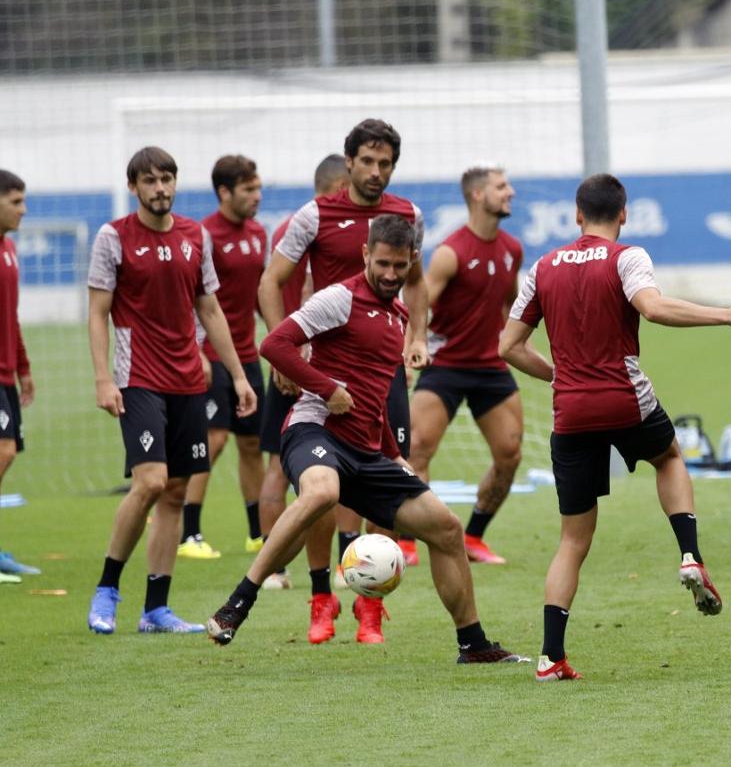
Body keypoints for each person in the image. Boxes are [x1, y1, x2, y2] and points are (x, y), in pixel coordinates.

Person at [207, 214, 525, 664]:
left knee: (447, 529)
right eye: (382, 264)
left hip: (366, 452)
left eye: (399, 265)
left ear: (413, 260)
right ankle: (240, 600)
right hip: (312, 431)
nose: (390, 274)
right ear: (365, 256)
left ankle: (472, 643)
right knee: (324, 491)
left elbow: (373, 401)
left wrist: (396, 457)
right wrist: (327, 388)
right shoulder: (338, 298)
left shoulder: (397, 318)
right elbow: (275, 345)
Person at [499, 173, 731, 681]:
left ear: (576, 215)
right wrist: (727, 315)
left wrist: (560, 375)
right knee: (667, 457)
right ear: (623, 215)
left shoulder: (543, 266)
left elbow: (508, 346)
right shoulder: (628, 257)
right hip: (625, 399)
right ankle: (689, 553)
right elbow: (654, 307)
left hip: (571, 410)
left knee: (572, 541)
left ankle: (550, 657)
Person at [257, 119, 427, 643]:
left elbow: (416, 284)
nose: (376, 173)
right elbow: (272, 282)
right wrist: (289, 356)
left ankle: (369, 608)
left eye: (386, 164)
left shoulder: (406, 215)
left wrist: (416, 336)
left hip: (381, 372)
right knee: (320, 489)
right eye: (368, 162)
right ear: (348, 161)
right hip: (323, 371)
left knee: (387, 485)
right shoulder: (316, 215)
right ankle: (319, 596)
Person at [86, 146, 257, 634]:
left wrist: (239, 376)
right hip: (138, 377)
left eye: (167, 179)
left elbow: (209, 309)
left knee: (177, 492)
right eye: (150, 181)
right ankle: (107, 589)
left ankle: (155, 609)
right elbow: (98, 312)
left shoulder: (193, 234)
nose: (159, 188)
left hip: (188, 378)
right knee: (151, 481)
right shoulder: (113, 237)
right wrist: (103, 378)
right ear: (134, 186)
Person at [409, 165, 524, 565]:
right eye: (501, 186)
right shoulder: (450, 252)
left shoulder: (512, 250)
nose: (509, 192)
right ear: (478, 195)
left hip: (491, 367)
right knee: (416, 449)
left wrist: (520, 345)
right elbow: (418, 304)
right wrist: (415, 343)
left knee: (509, 454)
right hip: (445, 366)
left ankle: (474, 536)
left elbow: (513, 307)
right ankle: (406, 541)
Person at [255, 154, 349, 590]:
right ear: (335, 188)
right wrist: (288, 353)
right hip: (309, 364)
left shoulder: (289, 229)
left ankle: (276, 568)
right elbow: (280, 288)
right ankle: (322, 563)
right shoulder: (314, 229)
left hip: (299, 360)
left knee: (285, 464)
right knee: (336, 466)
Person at [177, 155, 268, 559]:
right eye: (249, 189)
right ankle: (188, 534)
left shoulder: (258, 234)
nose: (257, 196)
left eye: (258, 187)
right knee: (211, 441)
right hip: (210, 354)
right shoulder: (204, 235)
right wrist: (194, 350)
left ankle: (257, 533)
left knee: (252, 445)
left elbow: (259, 297)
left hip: (246, 357)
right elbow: (195, 300)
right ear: (224, 192)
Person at [0, 169, 40, 583]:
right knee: (3, 451)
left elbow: (9, 314)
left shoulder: (9, 249)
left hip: (6, 375)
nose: (23, 210)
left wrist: (23, 367)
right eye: (15, 202)